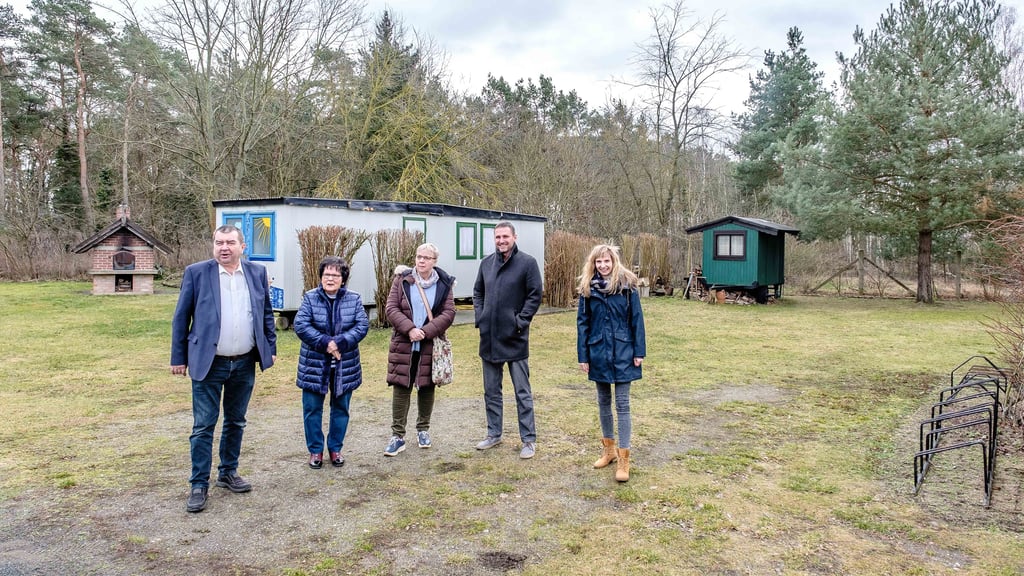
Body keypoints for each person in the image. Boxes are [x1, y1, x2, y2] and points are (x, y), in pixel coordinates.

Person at [171, 225, 278, 513]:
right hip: (208, 363)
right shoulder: (197, 273)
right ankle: (198, 484)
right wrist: (178, 358)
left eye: (230, 243)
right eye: (219, 242)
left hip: (243, 362)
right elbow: (181, 317)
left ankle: (228, 472)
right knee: (204, 425)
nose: (224, 248)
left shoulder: (256, 273)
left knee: (236, 421)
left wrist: (271, 347)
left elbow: (266, 313)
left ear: (243, 247)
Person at [473, 221, 543, 459]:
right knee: (491, 391)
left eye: (505, 236)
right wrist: (480, 317)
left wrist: (520, 322)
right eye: (497, 237)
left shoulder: (527, 263)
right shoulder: (486, 264)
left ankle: (528, 439)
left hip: (515, 338)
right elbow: (478, 292)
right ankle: (494, 434)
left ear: (514, 237)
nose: (501, 241)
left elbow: (535, 295)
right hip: (489, 337)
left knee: (522, 392)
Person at [576, 244, 646, 482]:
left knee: (623, 404)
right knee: (603, 402)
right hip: (598, 352)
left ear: (614, 262)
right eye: (599, 262)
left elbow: (636, 319)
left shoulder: (628, 287)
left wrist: (639, 351)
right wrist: (583, 355)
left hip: (624, 352)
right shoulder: (588, 289)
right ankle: (609, 451)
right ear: (593, 264)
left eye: (607, 261)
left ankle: (624, 458)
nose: (603, 266)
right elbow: (582, 324)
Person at [294, 256, 369, 469]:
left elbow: (361, 326)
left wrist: (340, 342)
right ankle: (315, 450)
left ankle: (335, 448)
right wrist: (326, 343)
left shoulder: (353, 299)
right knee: (311, 409)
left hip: (345, 365)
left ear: (343, 279)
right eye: (326, 274)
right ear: (320, 277)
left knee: (341, 409)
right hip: (314, 365)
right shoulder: (309, 298)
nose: (330, 278)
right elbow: (301, 325)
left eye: (335, 275)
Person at [383, 243, 456, 456]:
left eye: (426, 257)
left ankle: (423, 430)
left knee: (426, 385)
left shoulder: (444, 284)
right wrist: (410, 329)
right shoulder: (403, 279)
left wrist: (425, 331)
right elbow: (391, 308)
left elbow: (448, 313)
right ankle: (397, 436)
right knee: (401, 385)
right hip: (404, 342)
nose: (421, 260)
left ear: (434, 261)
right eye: (418, 256)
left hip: (429, 343)